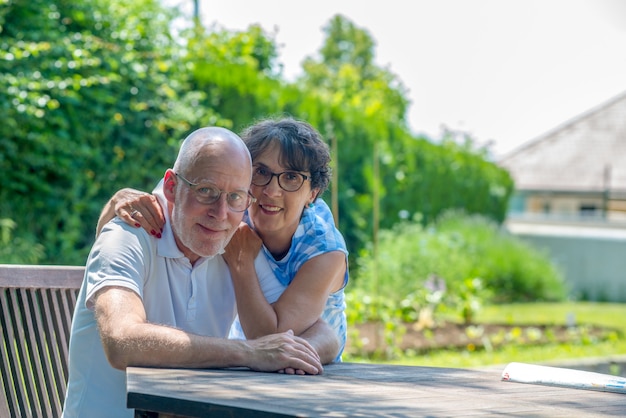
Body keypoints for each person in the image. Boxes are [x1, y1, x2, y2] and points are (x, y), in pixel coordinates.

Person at [63, 127, 334, 418]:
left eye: (235, 197)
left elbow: (324, 334)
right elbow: (122, 341)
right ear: (171, 187)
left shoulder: (233, 245)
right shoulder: (129, 236)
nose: (220, 213)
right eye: (206, 191)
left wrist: (293, 353)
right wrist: (250, 353)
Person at [102, 118, 350, 362]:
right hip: (251, 362)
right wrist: (117, 201)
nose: (272, 191)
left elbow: (277, 339)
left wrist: (241, 263)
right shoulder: (234, 208)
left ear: (313, 194)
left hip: (307, 368)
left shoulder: (324, 249)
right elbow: (180, 189)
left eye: (292, 177)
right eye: (261, 172)